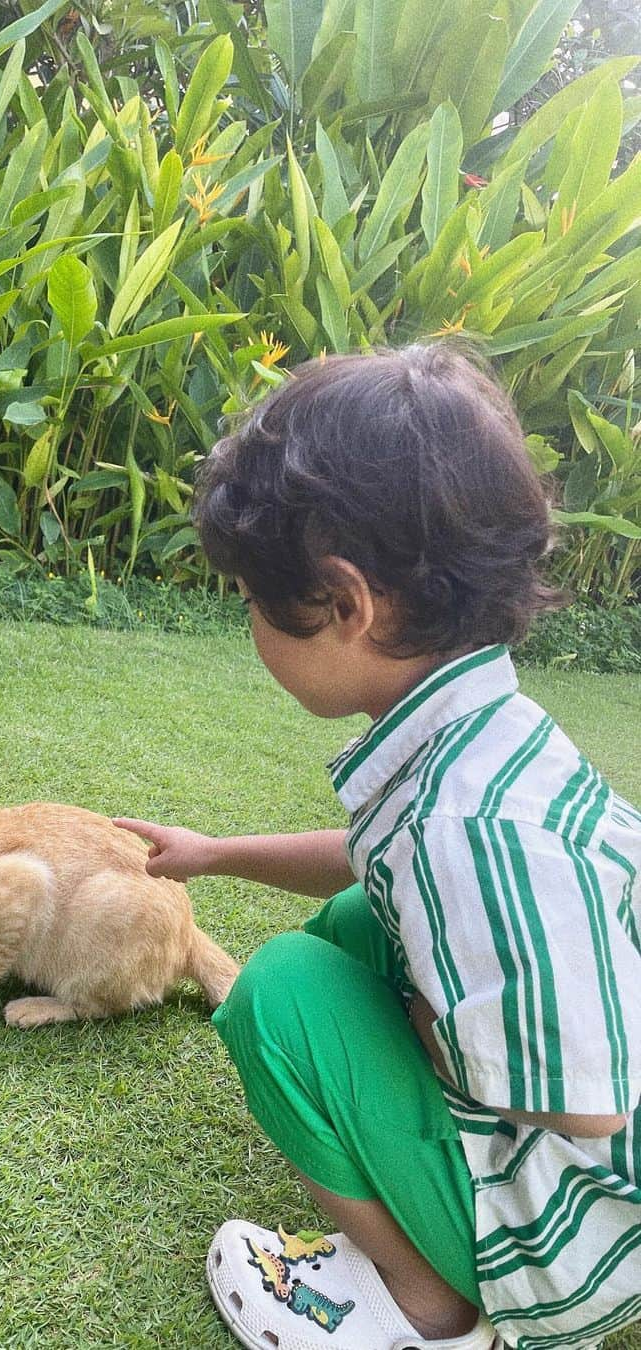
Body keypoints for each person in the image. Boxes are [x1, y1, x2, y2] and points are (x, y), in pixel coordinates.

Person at [115, 345, 640, 1350]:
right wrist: (214, 853)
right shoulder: (480, 740)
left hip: (569, 1245)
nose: (251, 627)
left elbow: (588, 1103)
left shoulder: (472, 829)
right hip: (582, 1176)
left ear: (348, 605)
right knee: (362, 923)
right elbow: (379, 858)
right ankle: (422, 1199)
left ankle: (432, 1307)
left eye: (256, 601)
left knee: (283, 999)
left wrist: (417, 1024)